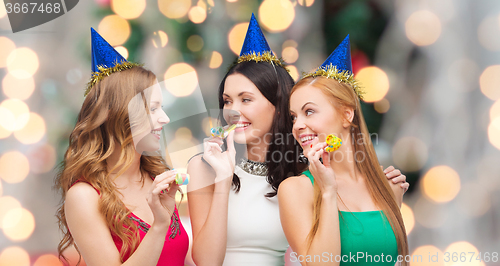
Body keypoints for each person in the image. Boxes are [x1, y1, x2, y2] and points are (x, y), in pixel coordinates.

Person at [187, 15, 407, 266]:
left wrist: (381, 185)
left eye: (245, 99)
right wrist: (223, 180)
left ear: (278, 107)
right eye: (227, 101)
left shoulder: (302, 172)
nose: (232, 111)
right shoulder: (204, 167)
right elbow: (205, 261)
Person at [55, 28, 188, 266]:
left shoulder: (157, 177)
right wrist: (159, 225)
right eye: (153, 108)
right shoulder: (85, 196)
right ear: (119, 113)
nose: (165, 119)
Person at [278, 35, 409, 266]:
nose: (297, 125)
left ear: (347, 115)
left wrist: (393, 194)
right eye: (293, 116)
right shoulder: (295, 189)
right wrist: (328, 190)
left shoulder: (386, 185)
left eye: (309, 112)